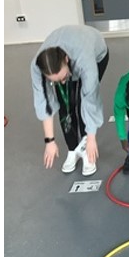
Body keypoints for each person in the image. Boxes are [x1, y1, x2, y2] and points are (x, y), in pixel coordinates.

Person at [30, 25, 108, 176]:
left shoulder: (84, 60)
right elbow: (44, 102)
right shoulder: (37, 66)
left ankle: (85, 148)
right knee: (65, 104)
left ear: (66, 60)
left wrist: (91, 138)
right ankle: (73, 149)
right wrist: (50, 141)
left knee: (81, 100)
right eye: (56, 81)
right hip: (67, 54)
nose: (63, 82)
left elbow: (91, 99)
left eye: (64, 77)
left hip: (96, 52)